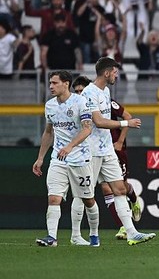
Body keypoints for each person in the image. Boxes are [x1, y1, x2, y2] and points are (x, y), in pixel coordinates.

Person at [77, 57, 155, 245]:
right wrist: (125, 123)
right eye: (114, 71)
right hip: (92, 151)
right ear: (106, 72)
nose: (116, 75)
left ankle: (132, 233)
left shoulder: (106, 91)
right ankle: (76, 235)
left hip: (107, 150)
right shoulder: (89, 93)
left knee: (119, 189)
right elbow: (98, 121)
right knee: (85, 194)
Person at [32, 71, 100, 247]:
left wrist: (70, 147)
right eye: (50, 83)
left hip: (80, 159)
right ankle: (52, 237)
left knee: (88, 200)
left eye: (54, 83)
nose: (51, 86)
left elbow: (87, 129)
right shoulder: (50, 106)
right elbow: (48, 132)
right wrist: (40, 158)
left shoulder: (81, 102)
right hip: (58, 159)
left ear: (66, 84)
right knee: (54, 198)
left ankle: (94, 235)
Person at [72, 76, 142, 241]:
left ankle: (134, 199)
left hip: (115, 149)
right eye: (77, 92)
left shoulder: (106, 101)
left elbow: (127, 117)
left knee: (122, 186)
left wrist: (120, 141)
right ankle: (123, 227)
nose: (80, 94)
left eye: (82, 90)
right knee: (105, 189)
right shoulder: (78, 107)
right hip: (95, 152)